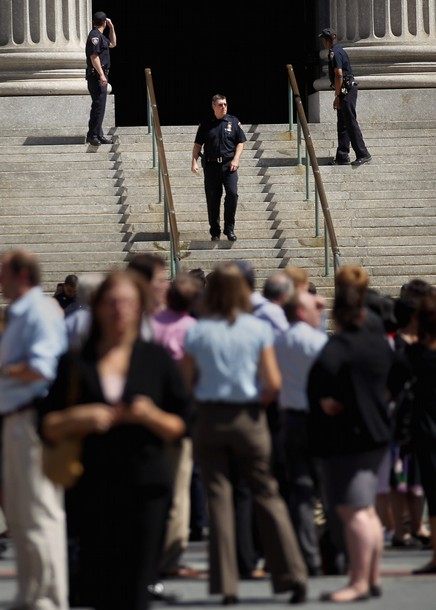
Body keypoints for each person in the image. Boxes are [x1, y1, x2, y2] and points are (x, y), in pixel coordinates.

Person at [40, 269, 189, 610]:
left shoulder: (156, 360)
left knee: (136, 586)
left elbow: (183, 424)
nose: (119, 310)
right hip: (92, 486)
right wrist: (77, 417)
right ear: (97, 306)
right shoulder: (76, 362)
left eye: (127, 303)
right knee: (99, 585)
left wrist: (151, 416)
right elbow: (46, 425)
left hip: (146, 485)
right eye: (111, 302)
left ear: (139, 308)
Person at [181, 262, 308, 606]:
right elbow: (273, 382)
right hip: (248, 415)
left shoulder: (197, 331)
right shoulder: (256, 329)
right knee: (266, 492)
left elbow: (186, 383)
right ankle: (293, 573)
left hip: (209, 415)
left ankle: (227, 583)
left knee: (219, 498)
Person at [307, 265, 397, 603]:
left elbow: (322, 379)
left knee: (354, 510)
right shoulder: (376, 342)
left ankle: (359, 581)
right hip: (375, 430)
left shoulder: (342, 346)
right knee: (366, 509)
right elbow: (399, 372)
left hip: (349, 436)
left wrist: (332, 401)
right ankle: (369, 577)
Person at [0, 249, 69, 610]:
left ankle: (47, 595)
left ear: (21, 275)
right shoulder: (23, 312)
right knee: (23, 514)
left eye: (3, 273)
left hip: (30, 418)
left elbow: (42, 367)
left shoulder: (37, 312)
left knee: (39, 511)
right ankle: (31, 592)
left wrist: (6, 371)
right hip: (16, 417)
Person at [274, 289, 328, 576]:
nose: (320, 310)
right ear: (300, 312)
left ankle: (307, 554)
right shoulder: (320, 342)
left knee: (300, 489)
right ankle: (332, 552)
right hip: (319, 419)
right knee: (326, 489)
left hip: (291, 419)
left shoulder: (276, 342)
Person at [191, 94, 247, 241]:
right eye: (220, 105)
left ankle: (229, 229)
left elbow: (241, 142)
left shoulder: (233, 122)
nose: (223, 107)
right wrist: (194, 162)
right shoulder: (205, 124)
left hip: (229, 166)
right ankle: (215, 231)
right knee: (213, 199)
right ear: (213, 106)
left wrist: (236, 159)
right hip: (211, 166)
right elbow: (197, 145)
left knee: (232, 194)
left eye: (225, 104)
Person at [319, 28, 371, 167]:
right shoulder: (339, 50)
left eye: (323, 39)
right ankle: (342, 155)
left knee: (350, 121)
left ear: (326, 40)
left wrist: (337, 96)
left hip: (346, 89)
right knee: (342, 123)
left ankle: (363, 154)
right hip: (345, 88)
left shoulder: (334, 52)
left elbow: (339, 74)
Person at [85, 11, 116, 146]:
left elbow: (113, 43)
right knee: (98, 106)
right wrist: (102, 75)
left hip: (100, 75)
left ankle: (99, 134)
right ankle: (92, 135)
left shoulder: (101, 36)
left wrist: (112, 28)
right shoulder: (95, 36)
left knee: (100, 106)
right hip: (96, 76)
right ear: (104, 22)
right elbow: (94, 56)